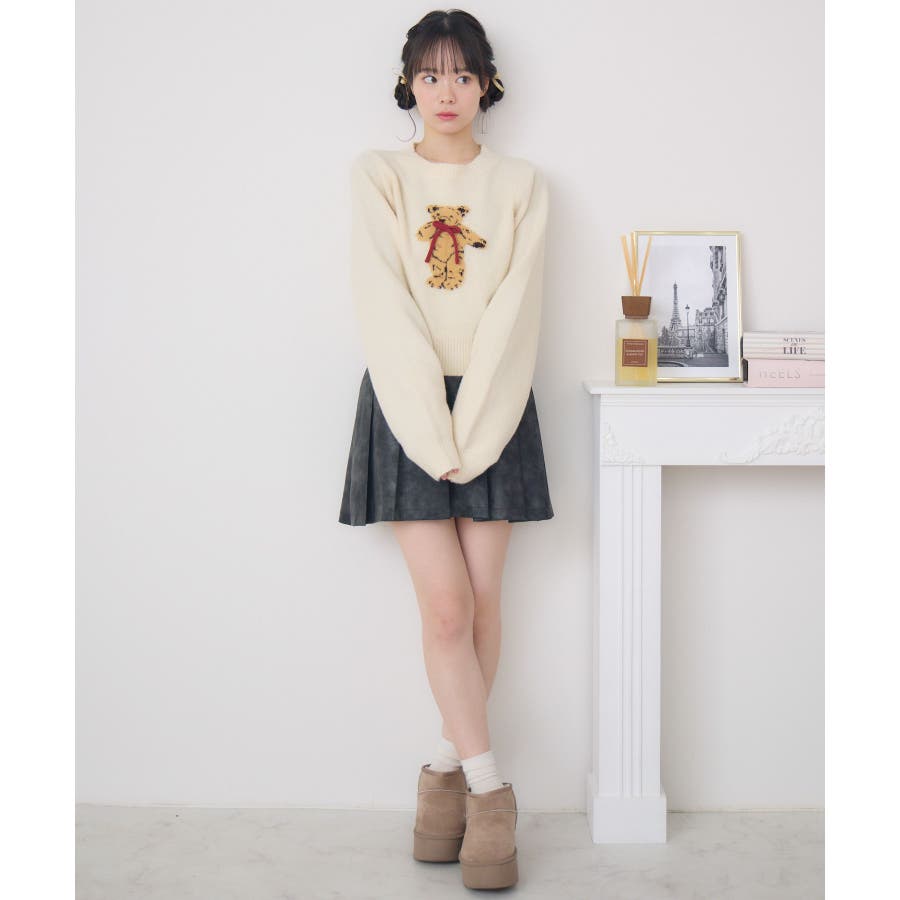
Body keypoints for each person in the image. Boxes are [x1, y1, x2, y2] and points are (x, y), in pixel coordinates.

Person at [338, 9, 553, 890]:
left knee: (485, 606)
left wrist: (478, 427)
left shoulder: (522, 183)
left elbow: (516, 310)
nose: (447, 91)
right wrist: (432, 429)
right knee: (446, 611)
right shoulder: (378, 174)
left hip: (496, 399)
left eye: (463, 74)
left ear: (487, 84)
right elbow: (383, 300)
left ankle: (441, 781)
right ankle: (490, 792)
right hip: (404, 401)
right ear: (407, 85)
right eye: (430, 75)